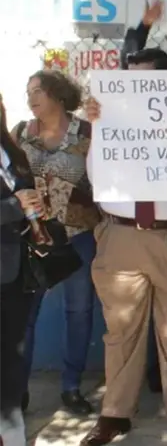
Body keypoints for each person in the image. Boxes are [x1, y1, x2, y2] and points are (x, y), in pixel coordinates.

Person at [80, 48, 167, 446]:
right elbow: (94, 173)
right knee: (120, 331)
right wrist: (97, 124)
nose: (135, 86)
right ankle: (115, 414)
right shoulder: (106, 118)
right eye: (130, 78)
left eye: (145, 78)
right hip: (120, 233)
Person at [15, 70, 100, 416]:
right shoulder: (20, 132)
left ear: (58, 94)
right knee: (25, 316)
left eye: (38, 91)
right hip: (33, 237)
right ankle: (17, 390)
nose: (31, 98)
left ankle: (71, 386)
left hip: (77, 236)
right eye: (28, 92)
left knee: (79, 312)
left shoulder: (87, 131)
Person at [0, 93, 42, 446]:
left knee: (11, 358)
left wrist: (32, 204)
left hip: (15, 270)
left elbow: (25, 196)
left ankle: (12, 434)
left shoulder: (12, 151)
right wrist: (14, 206)